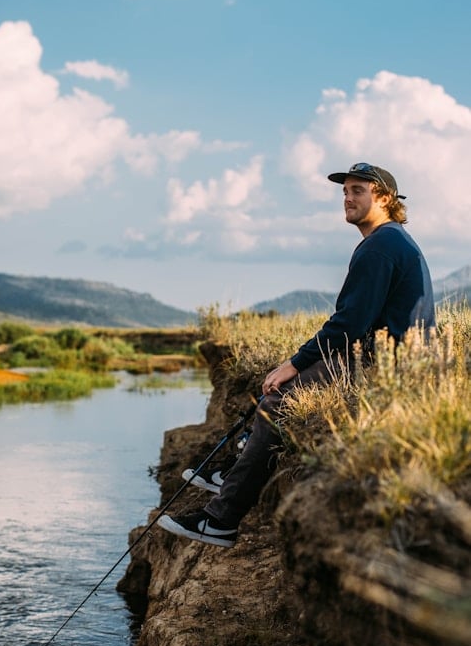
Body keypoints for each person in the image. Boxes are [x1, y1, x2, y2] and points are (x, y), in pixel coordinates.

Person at [158, 162, 436, 548]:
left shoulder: (381, 246)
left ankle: (220, 520)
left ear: (385, 198)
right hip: (386, 356)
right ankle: (236, 470)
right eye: (345, 191)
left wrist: (293, 364)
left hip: (385, 364)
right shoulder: (390, 240)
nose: (347, 198)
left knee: (278, 402)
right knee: (285, 389)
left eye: (358, 190)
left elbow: (348, 326)